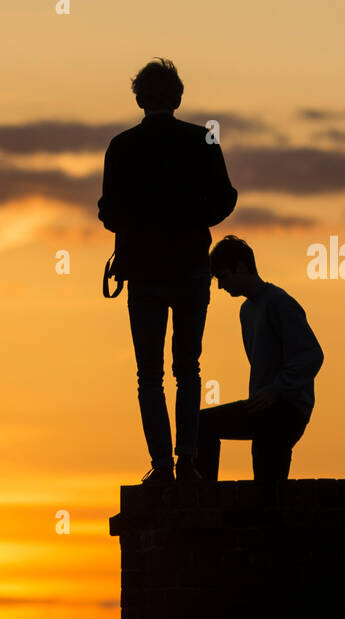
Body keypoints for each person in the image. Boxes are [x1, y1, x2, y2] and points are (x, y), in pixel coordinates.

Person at [99, 58, 237, 485]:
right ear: (177, 97)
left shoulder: (121, 147)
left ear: (139, 99)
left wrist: (139, 224)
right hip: (191, 267)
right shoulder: (203, 141)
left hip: (143, 272)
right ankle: (188, 462)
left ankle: (161, 465)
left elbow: (109, 213)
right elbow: (225, 199)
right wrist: (192, 218)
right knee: (188, 368)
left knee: (149, 373)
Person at [199, 235, 324, 482]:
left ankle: (204, 499)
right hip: (263, 409)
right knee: (202, 425)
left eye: (223, 276)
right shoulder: (246, 311)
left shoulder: (279, 303)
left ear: (242, 267)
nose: (221, 286)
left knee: (205, 425)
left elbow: (311, 355)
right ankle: (203, 500)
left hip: (287, 410)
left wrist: (275, 390)